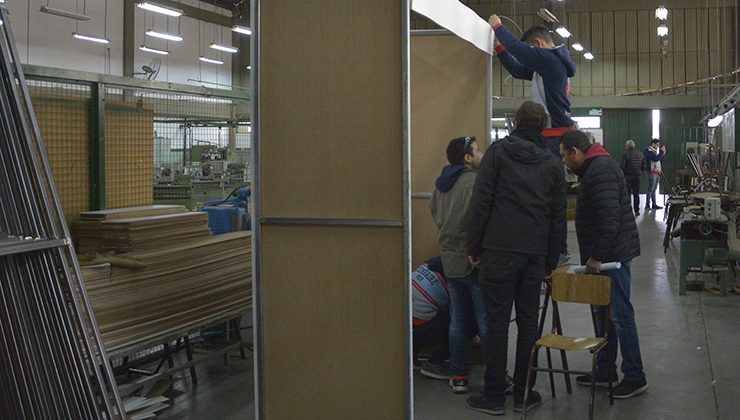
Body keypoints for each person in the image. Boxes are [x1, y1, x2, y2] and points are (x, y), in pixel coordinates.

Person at [465, 101, 566, 415]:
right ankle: (523, 393)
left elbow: (482, 202)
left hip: (499, 249)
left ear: (516, 123)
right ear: (542, 127)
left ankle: (495, 397)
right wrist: (552, 259)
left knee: (496, 324)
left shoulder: (497, 153)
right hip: (534, 254)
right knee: (528, 324)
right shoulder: (552, 164)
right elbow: (557, 217)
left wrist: (474, 246)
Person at [560, 130, 648, 399]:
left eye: (564, 155)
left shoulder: (599, 170)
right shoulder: (595, 167)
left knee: (620, 315)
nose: (563, 161)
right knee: (602, 313)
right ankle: (605, 368)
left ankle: (635, 376)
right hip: (605, 256)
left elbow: (609, 219)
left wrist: (597, 257)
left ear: (575, 151)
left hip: (612, 258)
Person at [489, 15, 575, 263]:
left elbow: (519, 50)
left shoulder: (550, 60)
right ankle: (550, 249)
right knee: (544, 197)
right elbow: (518, 69)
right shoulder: (546, 66)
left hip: (552, 137)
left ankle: (557, 251)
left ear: (537, 45)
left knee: (548, 199)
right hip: (548, 136)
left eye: (531, 50)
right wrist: (500, 48)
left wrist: (498, 28)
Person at [429, 136, 487, 394]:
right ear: (466, 158)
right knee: (486, 321)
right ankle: (498, 375)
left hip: (450, 259)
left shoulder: (440, 184)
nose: (481, 153)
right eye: (477, 150)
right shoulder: (475, 182)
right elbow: (482, 217)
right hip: (473, 259)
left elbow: (434, 211)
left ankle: (460, 376)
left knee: (458, 321)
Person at [411, 256, 451, 379]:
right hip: (419, 330)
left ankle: (411, 357)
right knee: (467, 325)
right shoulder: (460, 272)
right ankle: (434, 363)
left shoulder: (434, 261)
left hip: (400, 327)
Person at [620, 139, 645, 216]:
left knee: (627, 194)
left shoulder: (625, 154)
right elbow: (643, 165)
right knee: (636, 194)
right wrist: (640, 171)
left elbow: (622, 166)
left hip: (628, 176)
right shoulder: (640, 153)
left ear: (627, 146)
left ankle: (628, 211)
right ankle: (637, 211)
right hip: (637, 176)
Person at [643, 138, 666, 210]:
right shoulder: (648, 151)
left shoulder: (654, 151)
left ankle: (654, 204)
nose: (658, 146)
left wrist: (662, 154)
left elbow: (659, 160)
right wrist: (661, 152)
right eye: (657, 144)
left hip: (656, 172)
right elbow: (655, 159)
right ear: (653, 144)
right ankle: (647, 204)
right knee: (650, 188)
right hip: (651, 173)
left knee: (654, 189)